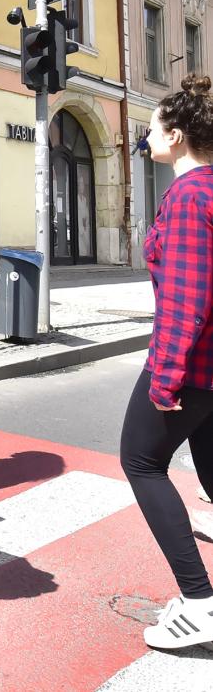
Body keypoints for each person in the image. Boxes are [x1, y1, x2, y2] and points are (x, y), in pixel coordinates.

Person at [120, 74, 213, 650]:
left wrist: (166, 378)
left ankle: (199, 602)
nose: (146, 139)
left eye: (151, 130)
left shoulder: (187, 196)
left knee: (142, 459)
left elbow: (187, 297)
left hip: (193, 363)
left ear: (175, 136)